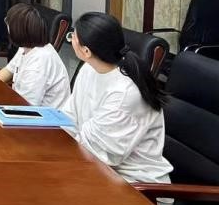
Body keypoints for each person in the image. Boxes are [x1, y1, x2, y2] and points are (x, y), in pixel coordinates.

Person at [61, 12, 172, 184]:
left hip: (136, 184)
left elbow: (104, 153)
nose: (71, 40)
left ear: (86, 51)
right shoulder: (89, 69)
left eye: (72, 37)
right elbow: (69, 117)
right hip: (96, 167)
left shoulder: (125, 93)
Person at [0, 3, 69, 107]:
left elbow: (26, 107)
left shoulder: (39, 61)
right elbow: (8, 71)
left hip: (42, 115)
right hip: (21, 105)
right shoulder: (26, 47)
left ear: (17, 30)